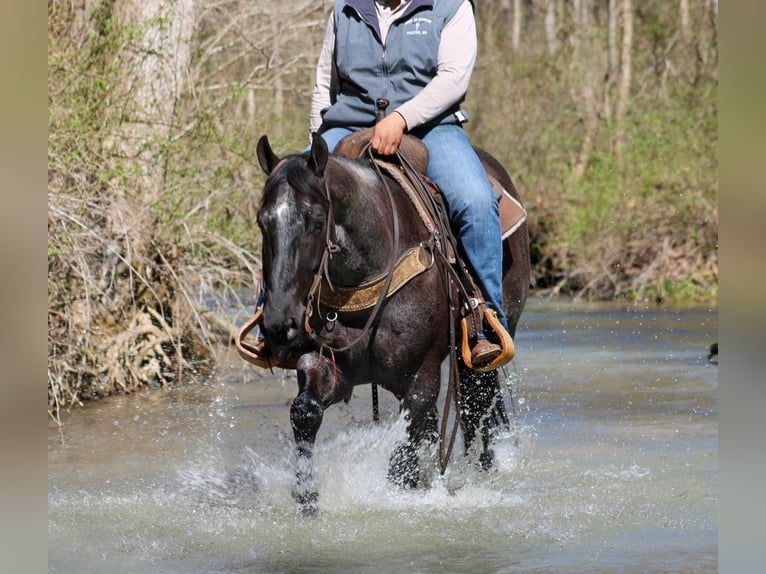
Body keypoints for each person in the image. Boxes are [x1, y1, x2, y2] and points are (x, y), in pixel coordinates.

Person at [309, 0, 508, 368]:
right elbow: (325, 83)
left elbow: (453, 78)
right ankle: (273, 318)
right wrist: (316, 141)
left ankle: (486, 320)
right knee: (290, 191)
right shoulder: (345, 9)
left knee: (475, 201)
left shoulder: (451, 6)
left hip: (431, 127)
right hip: (348, 125)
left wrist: (401, 117)